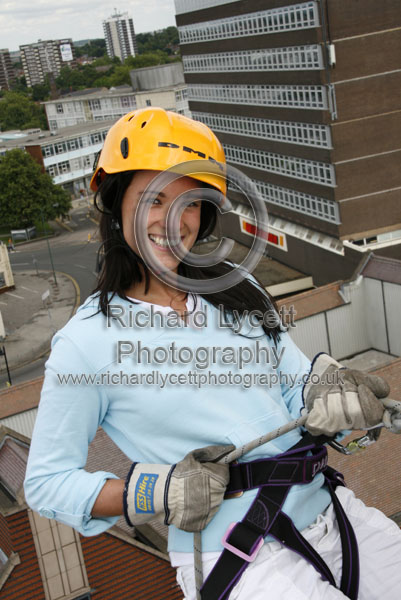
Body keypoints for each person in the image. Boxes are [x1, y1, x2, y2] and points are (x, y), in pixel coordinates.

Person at [24, 108, 401, 600]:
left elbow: (292, 385)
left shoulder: (236, 288)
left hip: (328, 508)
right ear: (117, 205)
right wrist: (154, 492)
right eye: (153, 199)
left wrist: (332, 394)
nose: (171, 221)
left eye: (190, 203)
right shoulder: (86, 344)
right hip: (238, 556)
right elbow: (48, 483)